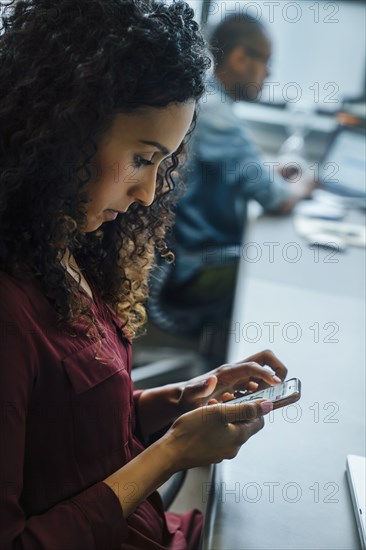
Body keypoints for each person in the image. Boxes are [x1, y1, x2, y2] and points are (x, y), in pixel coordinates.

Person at [0, 1, 289, 548]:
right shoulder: (9, 311)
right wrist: (172, 453)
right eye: (141, 158)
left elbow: (70, 434)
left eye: (164, 163)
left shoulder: (66, 244)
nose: (149, 193)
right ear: (64, 131)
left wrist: (180, 400)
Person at [149, 14, 316, 337]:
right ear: (239, 57)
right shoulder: (215, 113)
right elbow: (278, 200)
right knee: (279, 266)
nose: (269, 74)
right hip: (190, 270)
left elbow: (236, 172)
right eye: (266, 62)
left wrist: (271, 172)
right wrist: (303, 183)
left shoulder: (207, 100)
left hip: (182, 256)